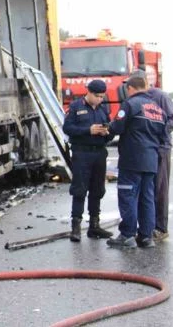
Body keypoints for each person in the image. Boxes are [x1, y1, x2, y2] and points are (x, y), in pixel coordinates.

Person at [106, 73, 167, 248]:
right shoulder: (157, 108)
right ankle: (146, 237)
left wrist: (106, 130)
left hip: (132, 159)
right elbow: (164, 135)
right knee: (147, 198)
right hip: (151, 160)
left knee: (128, 196)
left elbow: (116, 127)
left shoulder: (130, 104)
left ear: (130, 88)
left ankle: (127, 235)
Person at [62, 79, 114, 242]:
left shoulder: (103, 108)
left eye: (102, 96)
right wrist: (88, 130)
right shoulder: (76, 107)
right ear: (89, 93)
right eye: (97, 96)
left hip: (99, 153)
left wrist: (107, 133)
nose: (100, 99)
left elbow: (110, 130)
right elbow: (67, 128)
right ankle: (76, 228)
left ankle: (94, 226)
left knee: (97, 190)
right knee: (79, 190)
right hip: (81, 153)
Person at [137, 73, 173, 241]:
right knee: (146, 190)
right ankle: (147, 226)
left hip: (160, 149)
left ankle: (161, 228)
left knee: (159, 188)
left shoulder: (160, 96)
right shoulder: (136, 99)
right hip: (144, 149)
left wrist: (155, 132)